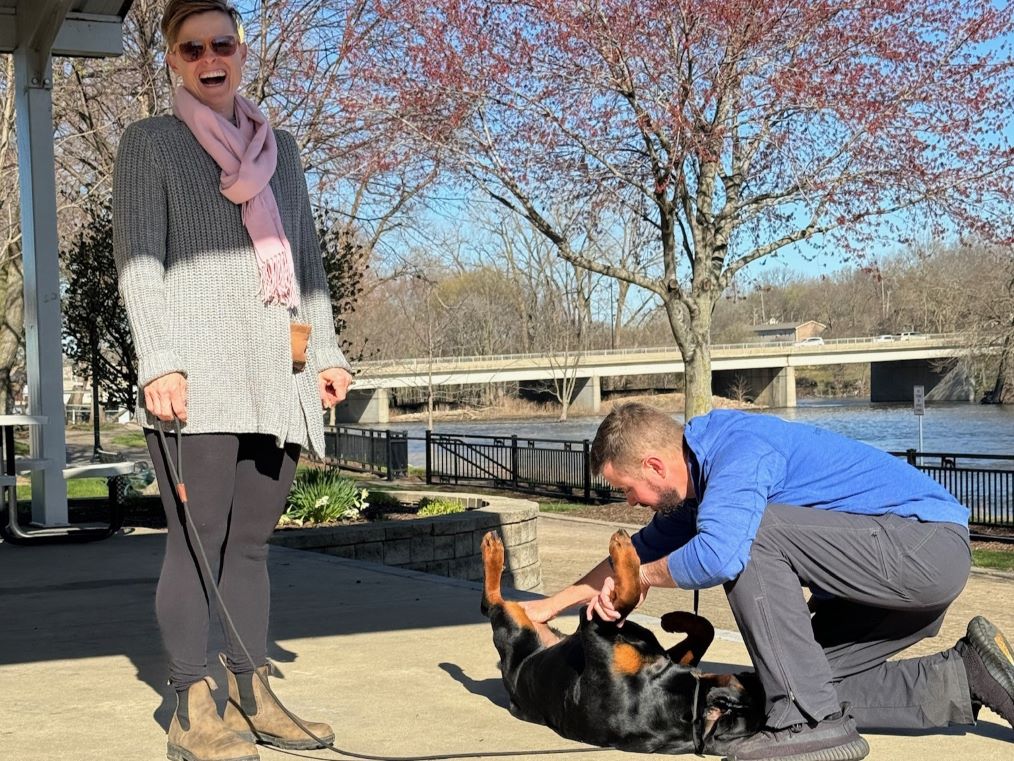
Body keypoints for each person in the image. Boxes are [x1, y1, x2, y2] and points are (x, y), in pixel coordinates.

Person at [112, 2, 353, 759]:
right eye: (193, 48)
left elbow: (306, 264)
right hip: (197, 376)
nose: (210, 57)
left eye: (223, 43)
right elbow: (139, 263)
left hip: (275, 374)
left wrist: (328, 356)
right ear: (173, 60)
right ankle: (189, 701)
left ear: (241, 52)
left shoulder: (279, 147)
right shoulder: (149, 143)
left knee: (249, 545)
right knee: (194, 544)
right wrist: (159, 362)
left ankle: (251, 690)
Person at [523, 403, 1014, 761]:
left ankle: (809, 723)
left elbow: (720, 554)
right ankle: (968, 677)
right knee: (788, 681)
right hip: (889, 582)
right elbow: (636, 553)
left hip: (924, 549)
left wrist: (645, 577)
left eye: (628, 489)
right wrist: (549, 608)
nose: (630, 501)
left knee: (749, 536)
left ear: (654, 465)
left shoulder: (738, 451)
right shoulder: (695, 489)